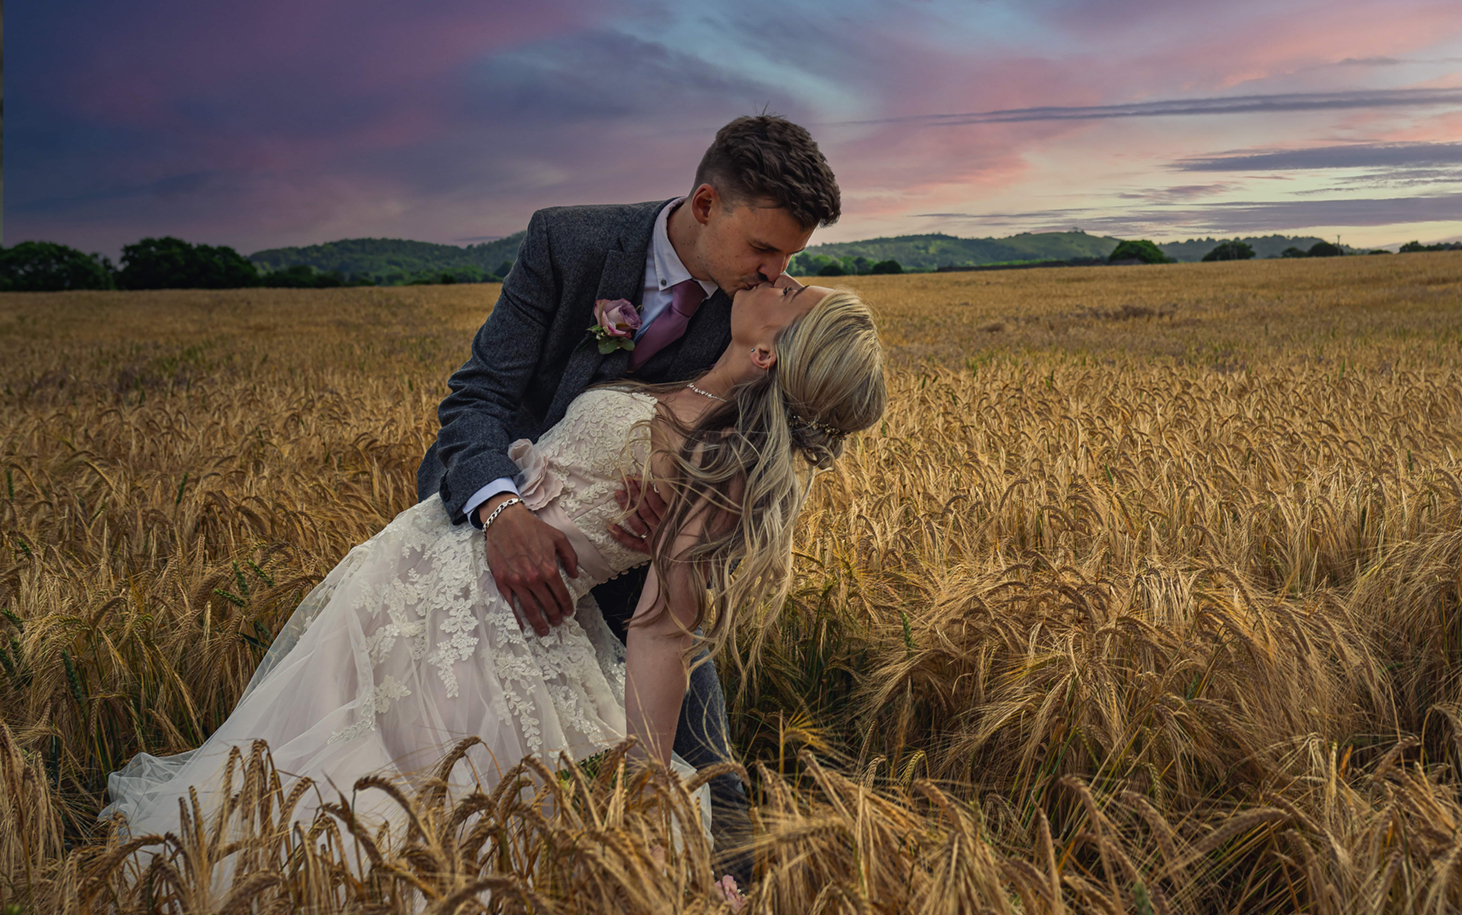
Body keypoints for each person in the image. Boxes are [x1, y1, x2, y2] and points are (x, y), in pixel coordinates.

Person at [101, 283, 886, 872]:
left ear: (770, 352)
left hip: (489, 624)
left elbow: (660, 629)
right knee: (322, 759)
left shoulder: (717, 472)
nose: (776, 279)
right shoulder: (695, 376)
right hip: (418, 567)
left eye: (789, 293)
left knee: (392, 811)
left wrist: (646, 785)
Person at [415, 113, 842, 877]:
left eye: (791, 256)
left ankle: (716, 887)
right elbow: (477, 398)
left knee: (708, 770)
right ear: (706, 203)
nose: (779, 272)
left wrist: (671, 512)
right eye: (765, 248)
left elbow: (743, 455)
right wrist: (501, 511)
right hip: (494, 525)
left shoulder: (761, 316)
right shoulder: (567, 242)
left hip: (636, 558)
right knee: (450, 753)